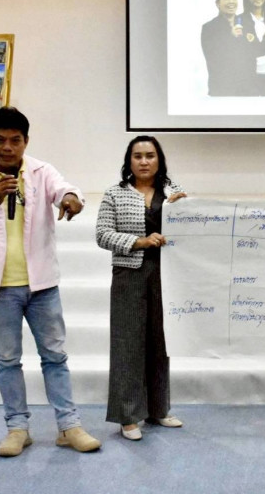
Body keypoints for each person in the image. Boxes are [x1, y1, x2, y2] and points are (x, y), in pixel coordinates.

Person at [0, 106, 101, 457]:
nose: (8, 147)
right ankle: (17, 428)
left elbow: (65, 190)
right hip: (0, 288)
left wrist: (71, 200)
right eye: (0, 140)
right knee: (7, 360)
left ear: (26, 141)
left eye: (15, 140)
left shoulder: (40, 171)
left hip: (41, 286)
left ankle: (69, 426)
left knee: (55, 356)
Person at [95, 135, 187, 441]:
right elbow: (102, 235)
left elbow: (190, 232)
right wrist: (139, 242)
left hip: (166, 274)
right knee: (127, 344)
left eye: (150, 155)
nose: (144, 161)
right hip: (129, 273)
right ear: (129, 161)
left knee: (161, 342)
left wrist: (187, 212)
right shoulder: (115, 194)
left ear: (159, 160)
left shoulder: (174, 193)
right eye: (138, 156)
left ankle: (159, 409)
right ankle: (128, 416)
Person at [200, 0, 247, 96]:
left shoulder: (247, 24)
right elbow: (213, 58)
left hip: (245, 90)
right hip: (220, 89)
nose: (231, 2)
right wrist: (231, 37)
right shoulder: (209, 28)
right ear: (217, 3)